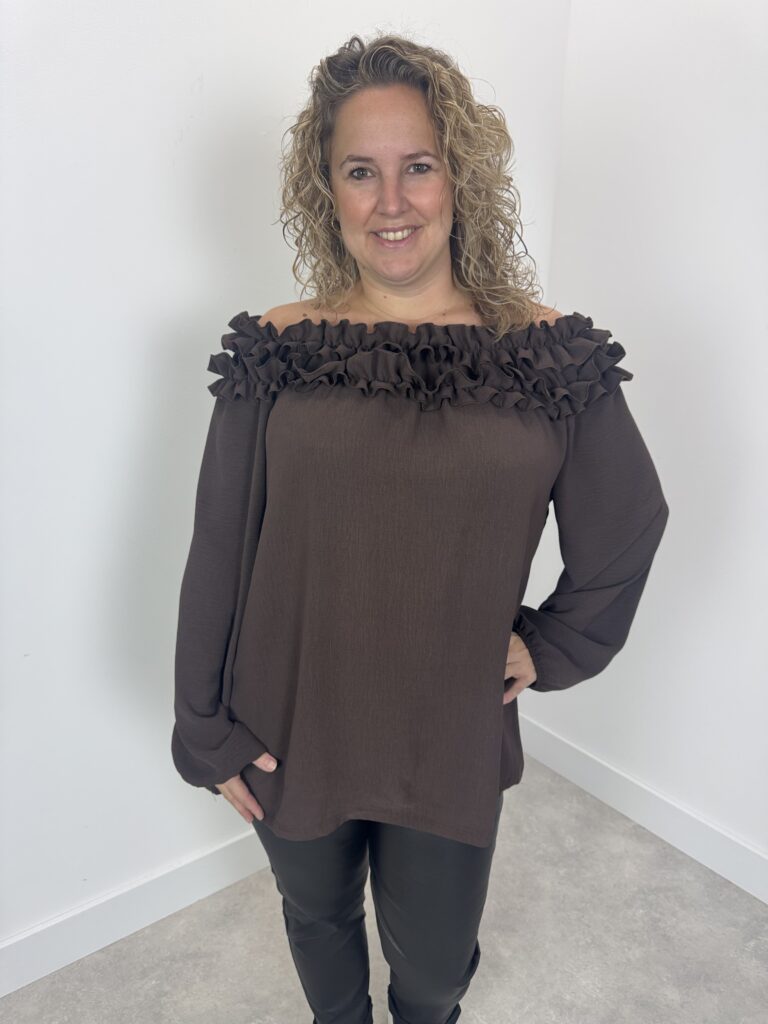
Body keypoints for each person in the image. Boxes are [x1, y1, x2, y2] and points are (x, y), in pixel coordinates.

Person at [172, 32, 670, 1024]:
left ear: (459, 178)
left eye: (419, 167)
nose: (391, 201)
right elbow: (220, 543)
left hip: (446, 730)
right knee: (316, 914)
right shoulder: (280, 347)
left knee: (435, 970)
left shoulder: (542, 354)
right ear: (327, 188)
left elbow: (628, 521)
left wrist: (554, 644)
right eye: (361, 171)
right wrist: (203, 725)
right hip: (287, 720)